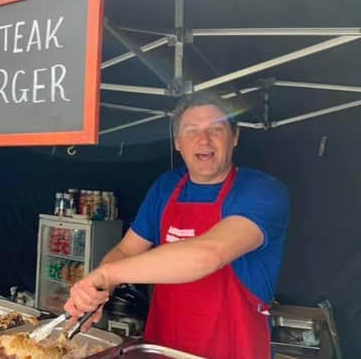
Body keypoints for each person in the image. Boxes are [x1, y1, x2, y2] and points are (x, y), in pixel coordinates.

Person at [64, 93, 289, 359]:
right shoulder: (166, 187)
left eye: (215, 129)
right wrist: (98, 292)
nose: (203, 140)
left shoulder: (262, 191)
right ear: (178, 142)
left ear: (235, 136)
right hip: (165, 347)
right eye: (191, 131)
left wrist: (107, 274)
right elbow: (126, 250)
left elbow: (208, 255)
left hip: (233, 349)